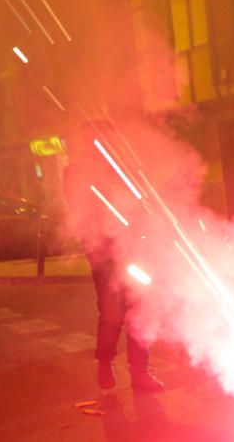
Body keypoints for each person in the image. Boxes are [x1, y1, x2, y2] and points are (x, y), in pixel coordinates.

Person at [63, 122, 163, 393]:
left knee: (139, 311)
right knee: (111, 315)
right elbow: (80, 211)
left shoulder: (125, 168)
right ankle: (105, 363)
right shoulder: (77, 172)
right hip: (104, 255)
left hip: (135, 251)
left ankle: (140, 372)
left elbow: (145, 203)